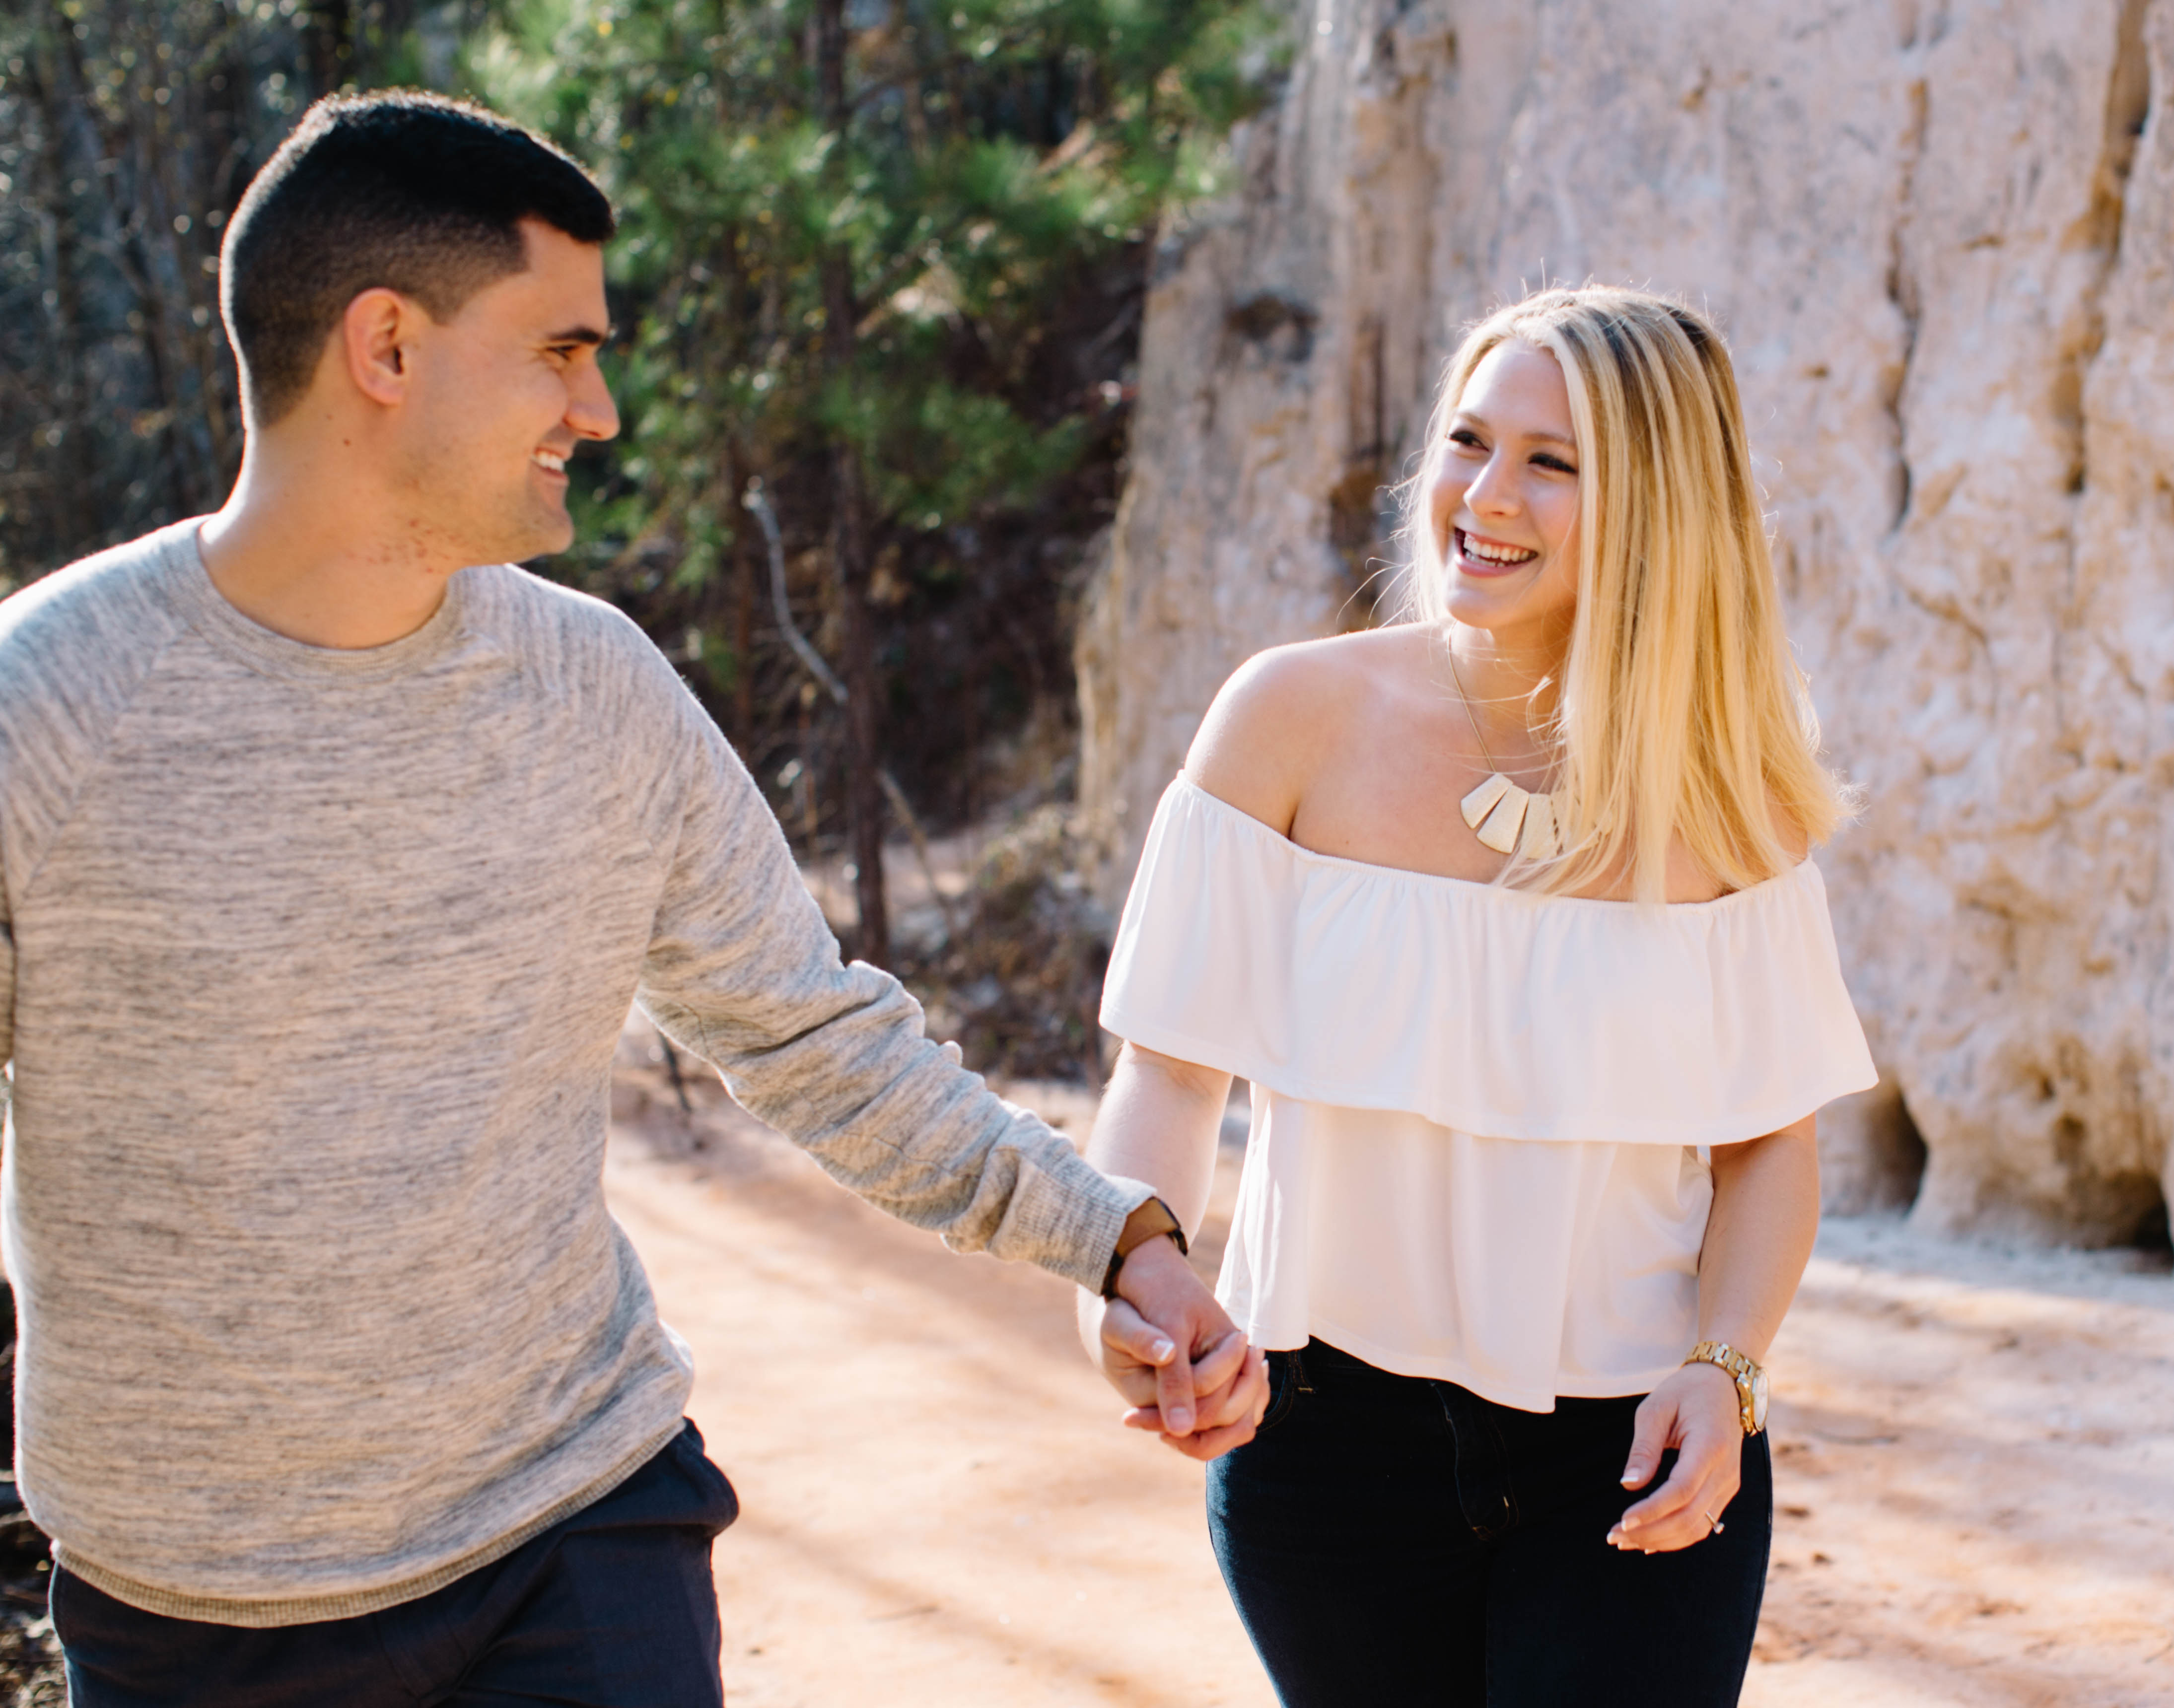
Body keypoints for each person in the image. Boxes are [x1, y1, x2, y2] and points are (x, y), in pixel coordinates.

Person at [0, 90, 1261, 1708]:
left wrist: (1118, 1240)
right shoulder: (48, 710)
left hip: (570, 1525)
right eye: (558, 351)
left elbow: (813, 1038)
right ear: (385, 348)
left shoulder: (593, 688)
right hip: (194, 1610)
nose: (597, 409)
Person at [1077, 285, 1878, 1704]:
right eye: (1467, 440)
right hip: (1317, 1448)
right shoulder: (1287, 722)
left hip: (1634, 1447)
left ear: (1657, 505)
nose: (1484, 494)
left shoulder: (1727, 793)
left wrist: (1726, 1369)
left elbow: (1769, 1146)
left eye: (1552, 462)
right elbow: (1168, 1070)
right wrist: (1135, 1278)